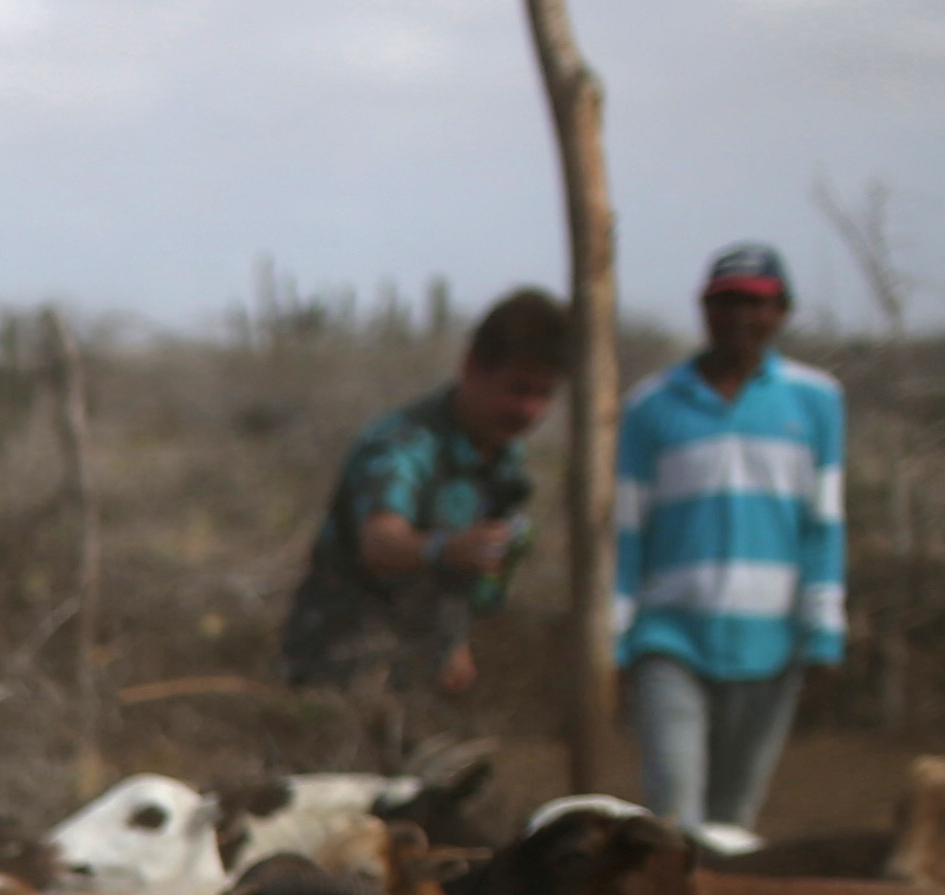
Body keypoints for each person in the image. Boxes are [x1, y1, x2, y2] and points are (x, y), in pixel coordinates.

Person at [612, 242, 846, 841]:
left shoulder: (815, 401)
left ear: (783, 312)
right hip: (670, 637)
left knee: (733, 822)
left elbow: (823, 523)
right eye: (727, 303)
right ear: (705, 310)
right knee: (674, 816)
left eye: (756, 304)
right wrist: (614, 643)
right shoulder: (651, 406)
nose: (742, 317)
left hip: (772, 642)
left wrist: (824, 634)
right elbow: (628, 532)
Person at [282, 288, 567, 705]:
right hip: (344, 663)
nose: (530, 411)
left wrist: (454, 640)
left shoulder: (504, 458)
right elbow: (380, 543)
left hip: (423, 672)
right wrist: (446, 549)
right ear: (473, 367)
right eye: (519, 390)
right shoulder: (404, 447)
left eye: (544, 395)